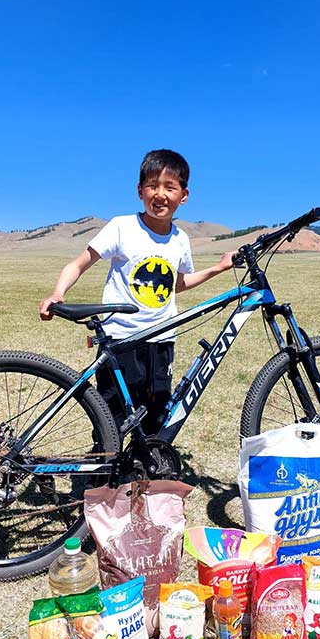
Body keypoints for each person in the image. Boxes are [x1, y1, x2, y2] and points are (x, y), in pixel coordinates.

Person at [39, 149, 236, 434]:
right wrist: (57, 292)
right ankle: (105, 473)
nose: (160, 194)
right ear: (140, 191)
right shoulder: (122, 227)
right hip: (122, 339)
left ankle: (144, 474)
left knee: (156, 415)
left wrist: (217, 268)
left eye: (170, 187)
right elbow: (80, 263)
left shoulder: (180, 239)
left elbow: (176, 285)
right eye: (153, 185)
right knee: (112, 419)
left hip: (162, 340)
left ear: (184, 195)